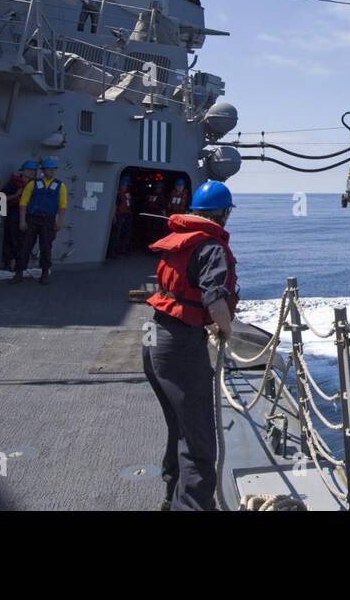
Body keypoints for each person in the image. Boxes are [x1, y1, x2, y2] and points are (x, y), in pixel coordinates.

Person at [143, 179, 238, 511]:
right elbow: (215, 298)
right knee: (200, 443)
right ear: (223, 214)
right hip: (181, 347)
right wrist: (226, 331)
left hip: (154, 338)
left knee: (180, 427)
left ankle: (172, 496)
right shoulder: (212, 247)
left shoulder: (180, 241)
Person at [12, 157, 66, 285]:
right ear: (43, 170)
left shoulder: (60, 186)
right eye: (49, 169)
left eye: (53, 169)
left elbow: (62, 205)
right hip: (32, 218)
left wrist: (59, 221)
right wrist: (22, 221)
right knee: (25, 245)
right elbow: (23, 203)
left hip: (49, 220)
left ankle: (45, 273)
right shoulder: (33, 184)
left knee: (46, 246)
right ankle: (19, 272)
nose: (51, 172)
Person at [0, 161, 38, 272]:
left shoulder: (35, 185)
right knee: (11, 238)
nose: (33, 173)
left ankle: (20, 265)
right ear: (24, 171)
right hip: (14, 213)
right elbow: (1, 198)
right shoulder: (13, 183)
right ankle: (8, 264)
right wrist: (16, 195)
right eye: (30, 170)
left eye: (34, 171)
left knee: (25, 240)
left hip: (28, 215)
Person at [109, 175, 133, 258]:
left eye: (126, 185)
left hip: (126, 215)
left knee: (125, 233)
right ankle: (112, 251)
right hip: (119, 215)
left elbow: (129, 204)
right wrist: (114, 216)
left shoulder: (127, 194)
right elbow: (115, 205)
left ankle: (121, 248)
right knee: (116, 234)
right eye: (124, 185)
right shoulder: (118, 194)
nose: (125, 187)